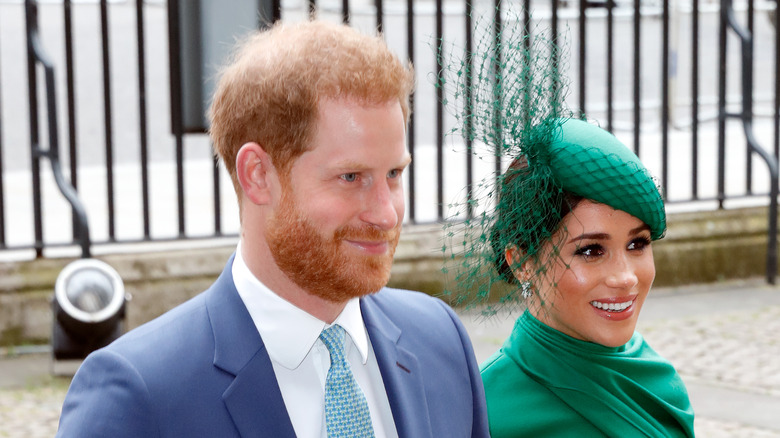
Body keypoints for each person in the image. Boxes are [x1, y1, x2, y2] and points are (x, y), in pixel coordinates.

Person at [56, 20, 489, 438]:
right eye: (351, 177)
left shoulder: (440, 342)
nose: (387, 214)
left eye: (394, 173)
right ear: (257, 175)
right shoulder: (139, 396)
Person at [477, 117, 696, 437]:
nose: (625, 278)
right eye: (591, 251)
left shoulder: (658, 380)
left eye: (637, 244)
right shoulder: (486, 413)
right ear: (522, 261)